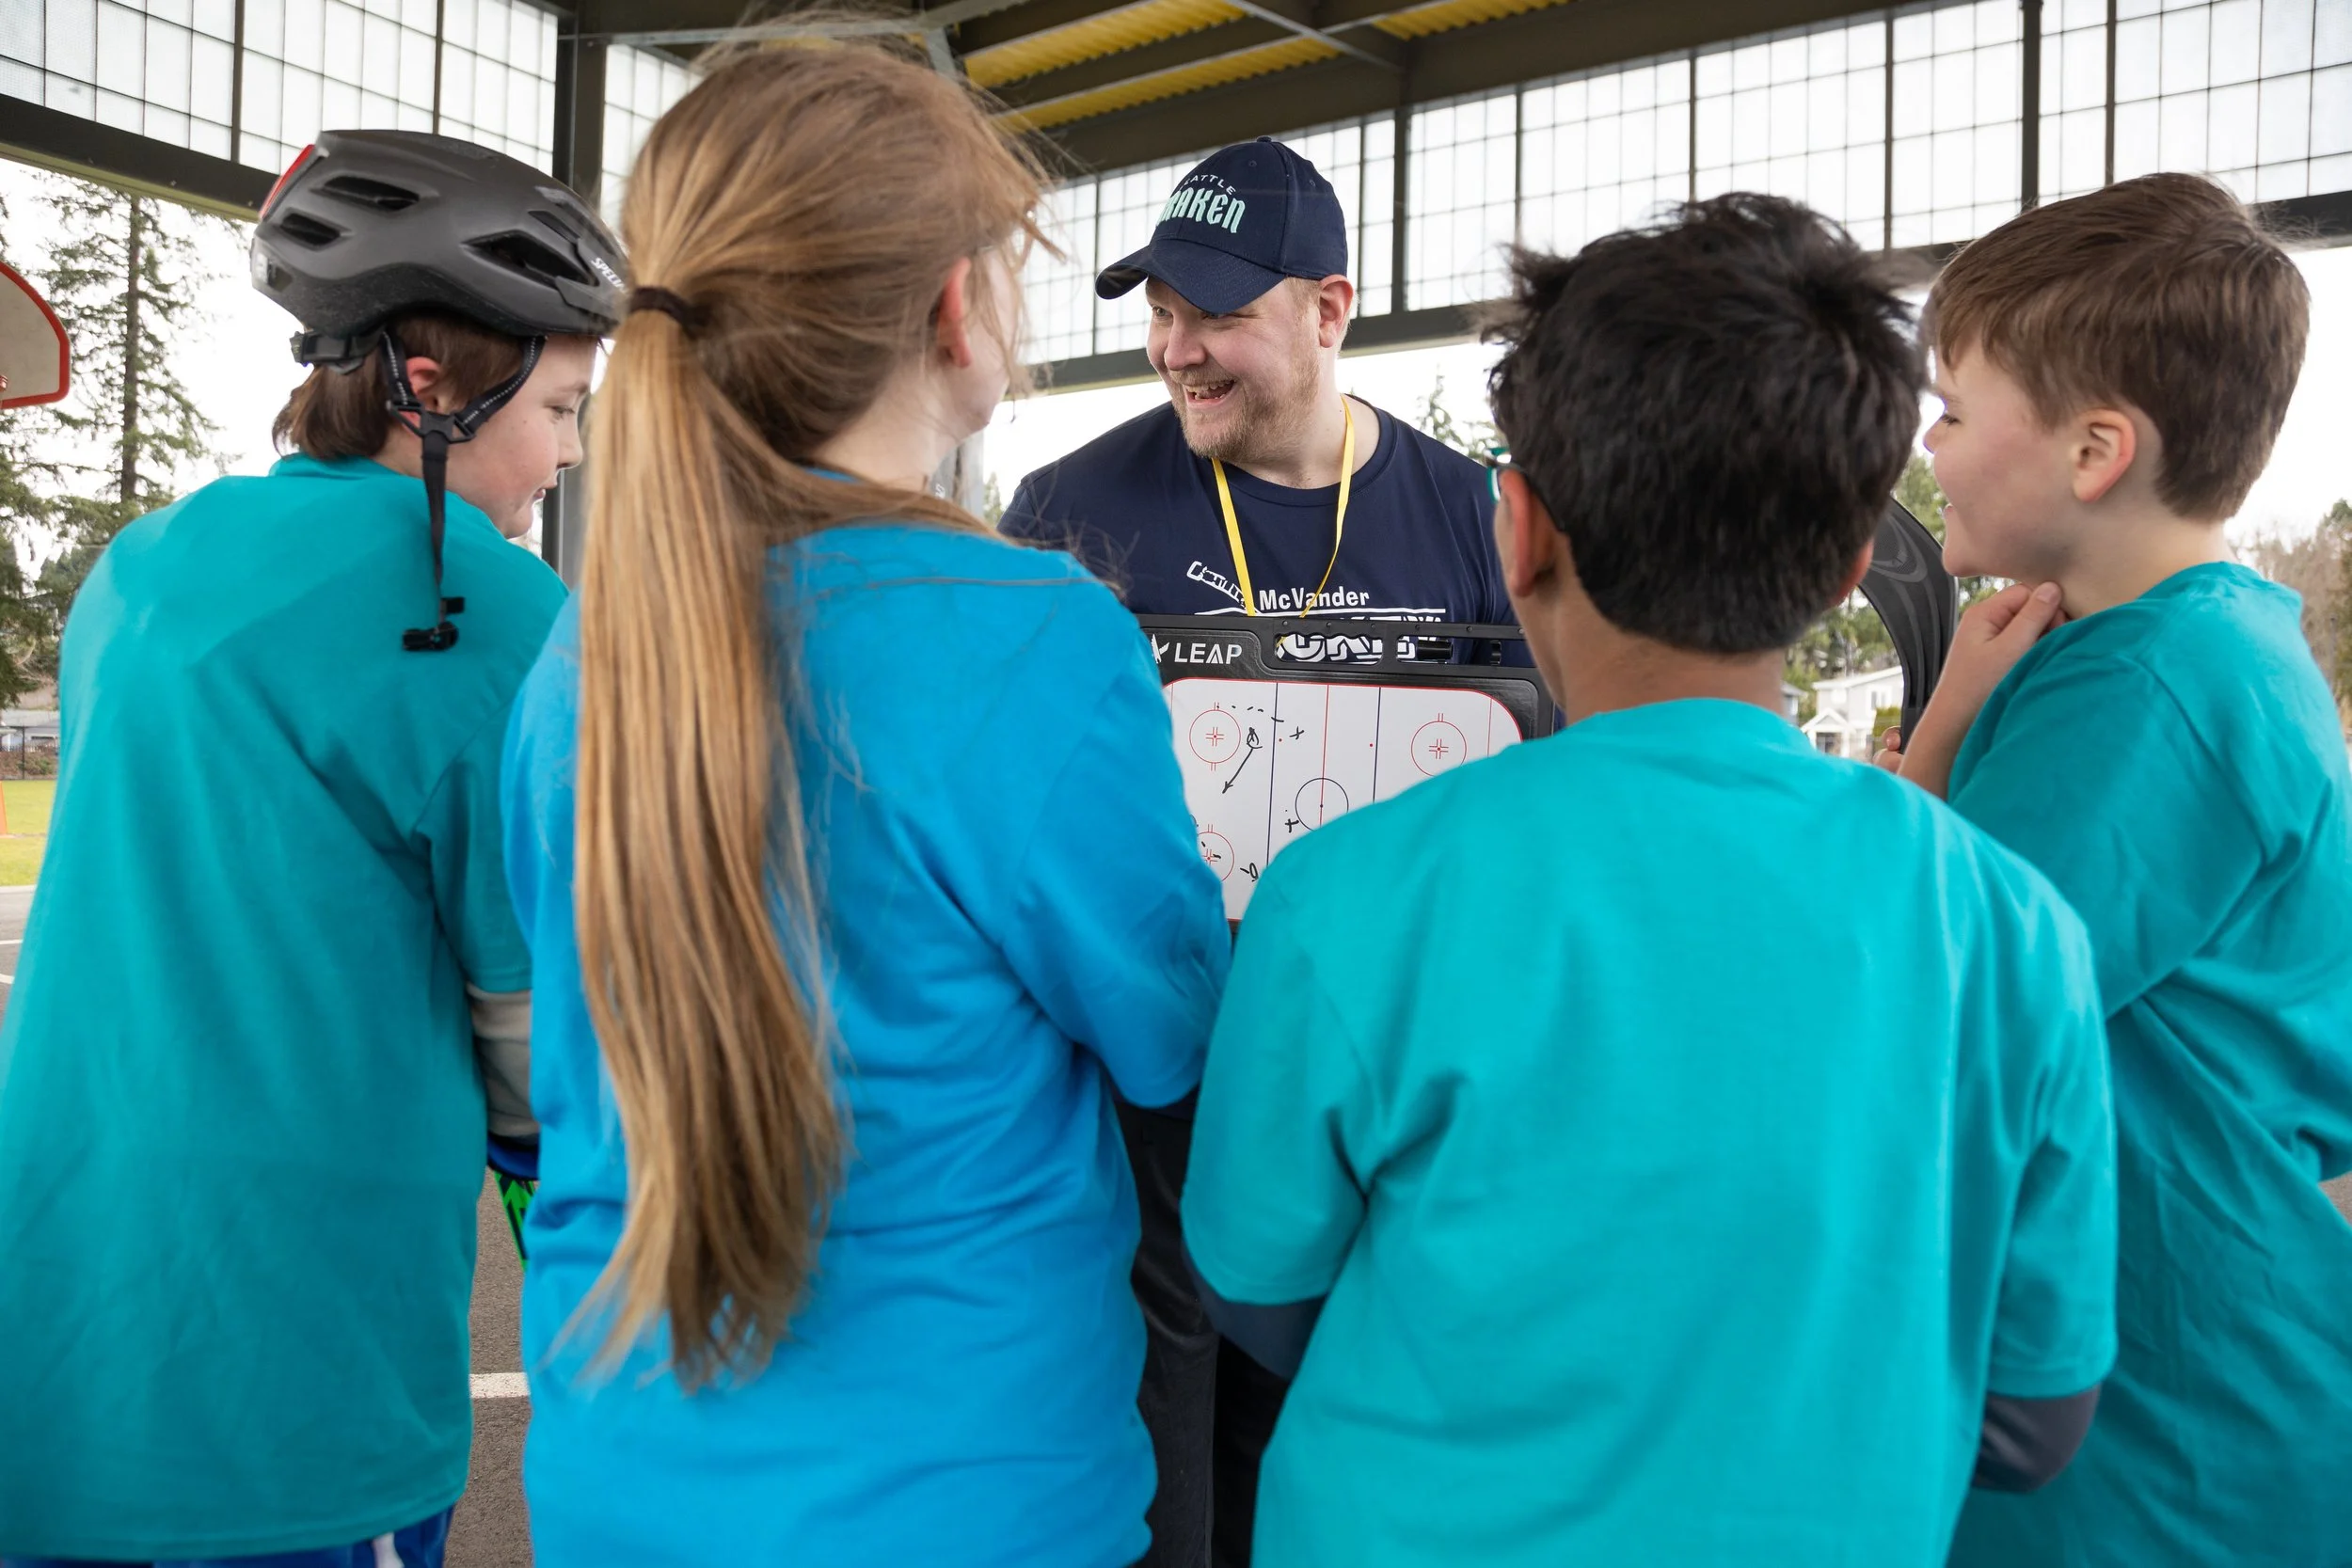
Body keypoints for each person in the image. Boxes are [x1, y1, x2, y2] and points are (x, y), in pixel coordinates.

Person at [1179, 197, 2122, 1567]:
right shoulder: (2014, 929)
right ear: (1855, 560)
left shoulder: (1347, 898)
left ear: (1521, 531)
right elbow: (2036, 1411)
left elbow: (1261, 1285)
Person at [500, 43, 1228, 1567]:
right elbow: (1174, 1039)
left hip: (618, 1483)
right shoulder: (1031, 635)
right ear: (957, 305)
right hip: (965, 1502)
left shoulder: (585, 655)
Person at [0, 130, 614, 1567]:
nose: (575, 449)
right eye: (568, 404)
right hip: (294, 1376)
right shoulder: (494, 612)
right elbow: (537, 1046)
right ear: (433, 384)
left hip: (60, 1344)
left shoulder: (137, 570)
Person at [1001, 135, 1518, 1568]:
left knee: (1325, 1463)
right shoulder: (1065, 511)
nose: (1177, 348)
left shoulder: (1471, 516)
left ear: (1331, 309)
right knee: (1161, 1473)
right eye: (1159, 310)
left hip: (1381, 1090)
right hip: (1156, 1083)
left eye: (1215, 311)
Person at [1880, 173, 2352, 1568]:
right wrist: (1955, 720)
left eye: (1956, 409)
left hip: (2164, 1425)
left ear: (2095, 452)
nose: (1934, 443)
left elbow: (1925, 994)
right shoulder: (2172, 641)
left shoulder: (2152, 690)